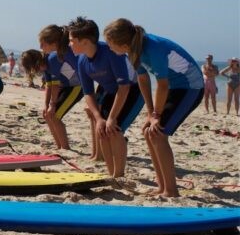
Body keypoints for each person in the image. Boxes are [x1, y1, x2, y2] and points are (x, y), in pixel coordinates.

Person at [104, 19, 204, 197]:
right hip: (175, 87)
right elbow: (143, 80)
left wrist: (157, 115)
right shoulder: (132, 51)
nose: (109, 48)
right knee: (148, 132)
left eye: (111, 44)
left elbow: (162, 85)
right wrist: (150, 112)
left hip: (191, 87)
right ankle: (161, 186)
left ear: (123, 43)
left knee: (158, 133)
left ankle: (171, 190)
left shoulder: (153, 48)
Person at [68, 17, 143, 178]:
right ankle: (111, 175)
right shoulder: (81, 61)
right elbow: (88, 92)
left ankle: (119, 175)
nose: (69, 44)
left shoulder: (110, 53)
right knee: (102, 130)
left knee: (115, 130)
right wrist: (98, 118)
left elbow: (124, 87)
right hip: (111, 92)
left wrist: (112, 118)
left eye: (72, 41)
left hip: (132, 91)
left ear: (86, 42)